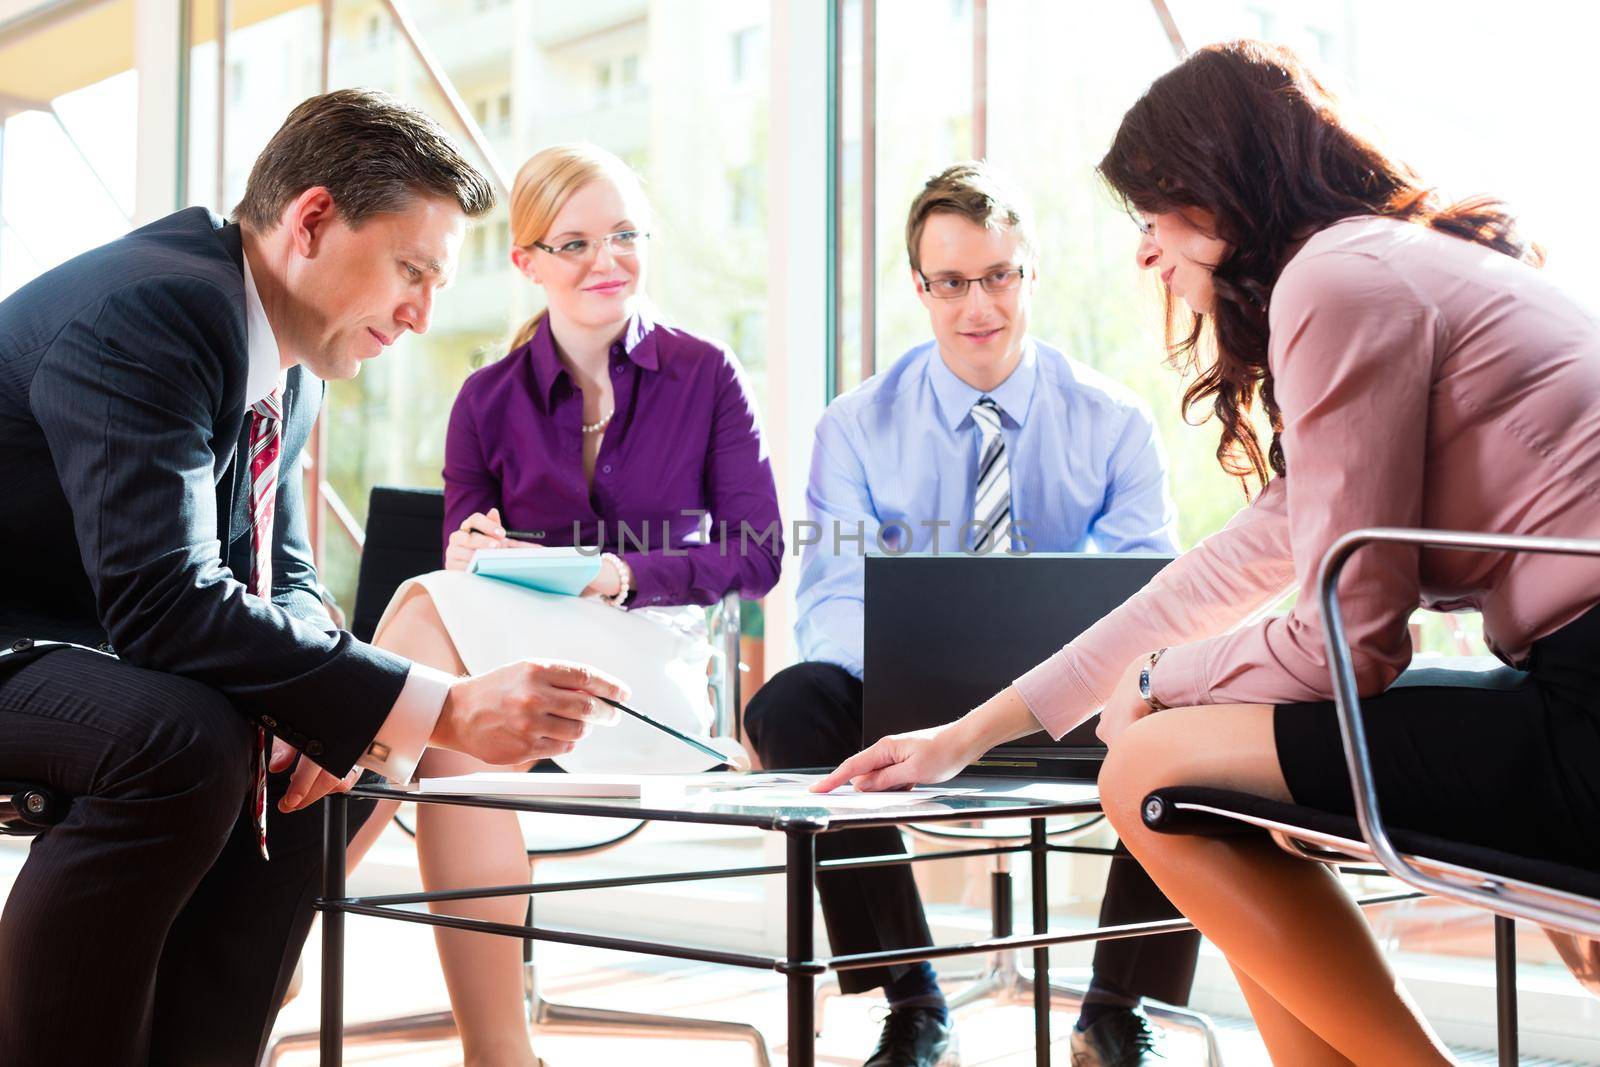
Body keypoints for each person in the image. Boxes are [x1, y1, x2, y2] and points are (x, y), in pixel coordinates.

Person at [819, 40, 1600, 1066]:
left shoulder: (1335, 278)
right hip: (1568, 687)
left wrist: (1159, 685)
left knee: (1152, 763)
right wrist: (966, 732)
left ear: (1217, 189)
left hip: (1583, 712)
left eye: (1152, 218)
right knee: (1217, 779)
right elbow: (1214, 575)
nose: (1144, 255)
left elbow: (1348, 649)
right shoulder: (1376, 263)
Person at [0, 90, 631, 1066]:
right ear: (311, 221)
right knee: (186, 740)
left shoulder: (280, 360)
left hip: (79, 655)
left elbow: (283, 574)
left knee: (314, 758)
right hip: (20, 647)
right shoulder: (158, 310)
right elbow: (164, 597)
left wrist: (354, 715)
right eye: (411, 271)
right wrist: (438, 707)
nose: (422, 313)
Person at [745, 161, 1193, 1067]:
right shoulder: (856, 425)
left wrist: (1033, 681)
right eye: (951, 281)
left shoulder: (1114, 421)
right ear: (920, 286)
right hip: (908, 709)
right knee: (791, 705)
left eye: (998, 275)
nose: (977, 303)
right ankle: (913, 1000)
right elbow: (831, 593)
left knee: (1196, 716)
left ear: (1030, 273)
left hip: (1082, 706)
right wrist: (908, 689)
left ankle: (1114, 1007)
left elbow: (1154, 601)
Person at [359, 142, 782, 1067]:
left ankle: (283, 910)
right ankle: (497, 1051)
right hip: (517, 667)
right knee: (444, 690)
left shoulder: (705, 377)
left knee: (425, 633)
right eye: (578, 241)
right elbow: (465, 559)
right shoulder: (484, 399)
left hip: (648, 664)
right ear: (528, 263)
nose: (609, 261)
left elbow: (760, 554)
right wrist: (476, 551)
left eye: (626, 235)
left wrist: (618, 575)